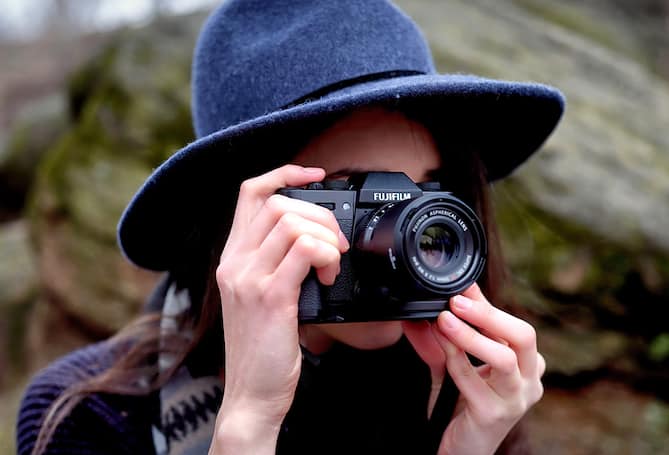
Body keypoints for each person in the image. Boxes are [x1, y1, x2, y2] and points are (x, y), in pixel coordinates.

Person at [16, 0, 565, 454]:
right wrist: (248, 425)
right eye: (357, 195)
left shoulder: (466, 391)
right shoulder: (91, 416)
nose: (408, 229)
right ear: (238, 215)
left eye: (425, 191)